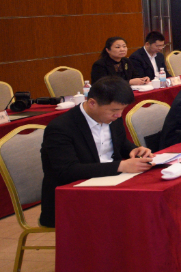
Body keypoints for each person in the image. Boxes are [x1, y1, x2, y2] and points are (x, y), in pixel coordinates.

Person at [38, 77, 152, 228]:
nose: (119, 115)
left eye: (122, 110)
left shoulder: (113, 117)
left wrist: (134, 150)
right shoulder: (61, 128)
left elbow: (120, 143)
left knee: (147, 204)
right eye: (114, 110)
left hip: (109, 185)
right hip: (73, 197)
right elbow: (67, 171)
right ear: (92, 103)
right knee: (132, 214)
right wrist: (121, 166)